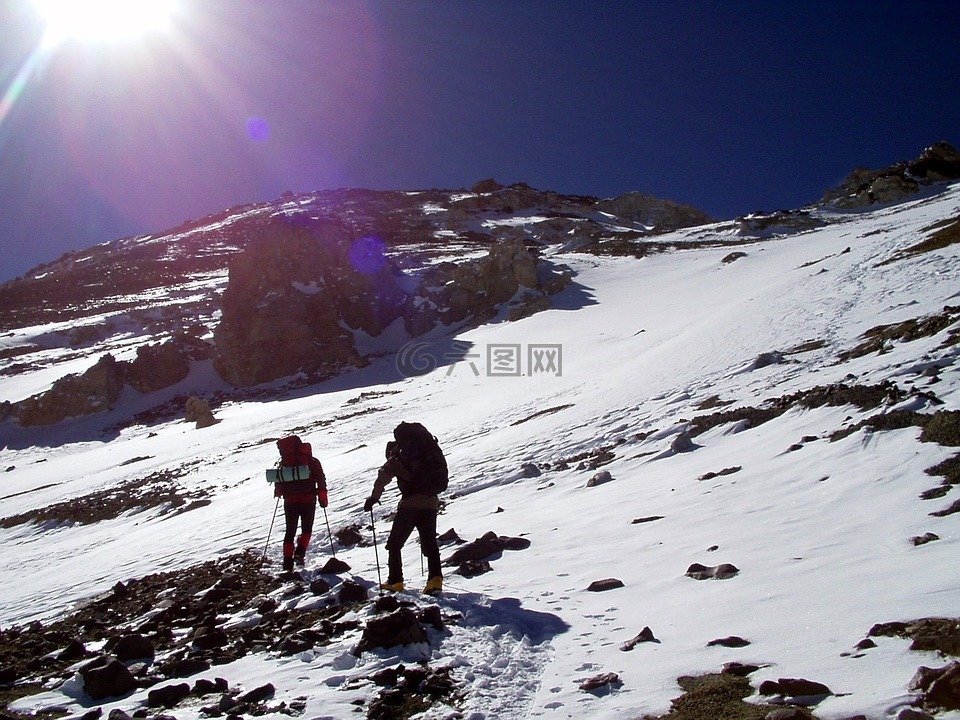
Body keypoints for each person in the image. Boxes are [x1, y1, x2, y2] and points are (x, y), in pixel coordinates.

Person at [364, 437, 443, 594]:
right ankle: (435, 580)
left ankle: (395, 581)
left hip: (410, 506)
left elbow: (382, 477)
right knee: (430, 542)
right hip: (431, 504)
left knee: (394, 544)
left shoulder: (396, 458)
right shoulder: (425, 455)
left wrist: (374, 498)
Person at [274, 435, 328, 572]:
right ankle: (299, 553)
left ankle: (287, 563)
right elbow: (320, 479)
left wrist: (280, 492)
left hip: (290, 501)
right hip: (308, 500)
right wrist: (323, 498)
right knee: (307, 529)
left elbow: (279, 481)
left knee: (290, 531)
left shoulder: (285, 462)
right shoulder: (312, 461)